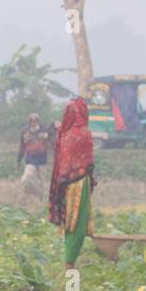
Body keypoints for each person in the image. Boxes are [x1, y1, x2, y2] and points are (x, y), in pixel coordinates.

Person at [48, 97, 98, 274]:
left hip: (65, 184)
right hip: (79, 184)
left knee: (70, 222)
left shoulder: (64, 133)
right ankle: (70, 265)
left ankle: (69, 264)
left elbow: (62, 162)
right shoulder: (83, 133)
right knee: (78, 222)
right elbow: (88, 162)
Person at [16, 112, 55, 198]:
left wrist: (50, 133)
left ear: (38, 121)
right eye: (32, 121)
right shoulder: (25, 132)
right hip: (30, 160)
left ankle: (41, 199)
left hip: (42, 161)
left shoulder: (44, 130)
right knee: (26, 178)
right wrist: (18, 160)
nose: (33, 123)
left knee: (42, 182)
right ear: (29, 122)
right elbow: (22, 147)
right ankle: (34, 193)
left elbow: (53, 141)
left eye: (35, 121)